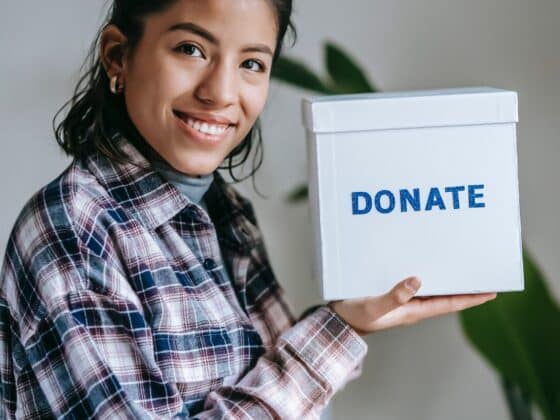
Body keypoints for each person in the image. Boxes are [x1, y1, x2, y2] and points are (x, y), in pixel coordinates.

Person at [0, 1, 496, 418]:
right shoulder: (72, 227)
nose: (220, 92)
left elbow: (283, 396)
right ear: (118, 56)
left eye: (251, 63)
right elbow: (293, 380)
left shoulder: (226, 212)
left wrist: (354, 319)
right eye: (190, 49)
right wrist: (337, 333)